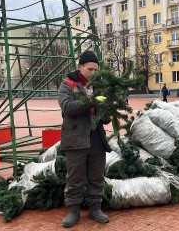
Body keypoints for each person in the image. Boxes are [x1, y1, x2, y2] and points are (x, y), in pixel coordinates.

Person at [58, 50, 112, 228]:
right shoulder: (67, 84)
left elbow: (106, 118)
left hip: (96, 137)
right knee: (75, 177)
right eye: (90, 69)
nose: (94, 73)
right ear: (80, 67)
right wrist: (91, 101)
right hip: (75, 138)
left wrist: (105, 108)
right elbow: (67, 108)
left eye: (96, 70)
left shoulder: (99, 86)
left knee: (97, 176)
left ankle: (95, 208)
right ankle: (73, 211)